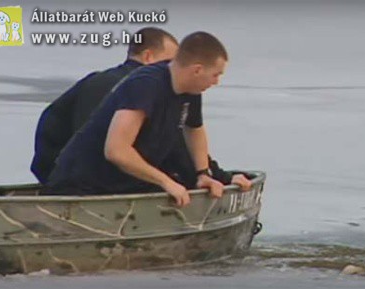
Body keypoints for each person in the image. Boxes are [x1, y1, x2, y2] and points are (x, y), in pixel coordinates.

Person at [45, 31, 249, 207]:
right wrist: (166, 182)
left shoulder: (191, 90)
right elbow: (116, 150)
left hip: (124, 184)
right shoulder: (145, 86)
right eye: (215, 75)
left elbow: (194, 130)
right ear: (197, 70)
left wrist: (203, 173)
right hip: (82, 184)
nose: (217, 82)